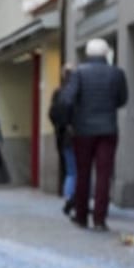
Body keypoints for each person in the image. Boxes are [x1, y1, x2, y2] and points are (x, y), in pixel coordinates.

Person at [59, 38, 129, 232]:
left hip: (83, 131)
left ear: (88, 54)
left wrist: (71, 121)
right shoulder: (117, 73)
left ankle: (81, 216)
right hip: (108, 129)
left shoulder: (79, 73)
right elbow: (123, 99)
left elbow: (66, 100)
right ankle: (99, 218)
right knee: (104, 175)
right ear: (107, 53)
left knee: (83, 173)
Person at [49, 65, 77, 216]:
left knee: (71, 171)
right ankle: (75, 200)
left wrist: (60, 127)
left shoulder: (58, 93)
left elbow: (52, 114)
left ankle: (68, 199)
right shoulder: (77, 92)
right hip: (79, 135)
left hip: (64, 136)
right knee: (78, 171)